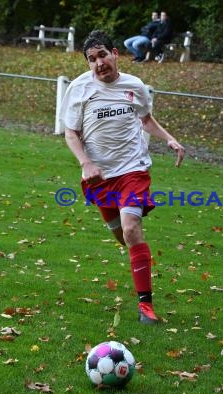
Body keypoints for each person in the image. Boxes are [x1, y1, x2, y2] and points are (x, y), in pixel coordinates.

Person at [59, 30, 185, 325]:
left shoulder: (135, 85)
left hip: (133, 169)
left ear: (115, 53)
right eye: (92, 59)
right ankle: (138, 258)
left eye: (102, 55)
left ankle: (146, 307)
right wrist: (86, 163)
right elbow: (70, 133)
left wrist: (169, 139)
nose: (99, 63)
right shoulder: (78, 89)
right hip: (98, 176)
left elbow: (145, 118)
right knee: (122, 235)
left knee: (131, 229)